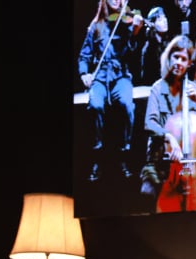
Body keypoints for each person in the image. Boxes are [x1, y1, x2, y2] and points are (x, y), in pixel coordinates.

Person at [139, 34, 196, 208]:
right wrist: (168, 137)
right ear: (169, 58)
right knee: (147, 193)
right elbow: (149, 123)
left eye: (183, 59)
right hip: (160, 162)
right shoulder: (157, 88)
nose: (178, 62)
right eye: (176, 57)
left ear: (189, 64)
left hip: (191, 163)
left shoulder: (193, 89)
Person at [77, 0, 145, 182]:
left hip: (120, 75)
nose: (118, 1)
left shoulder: (126, 24)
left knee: (127, 106)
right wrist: (84, 73)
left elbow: (131, 54)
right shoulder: (95, 26)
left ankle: (125, 155)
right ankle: (97, 158)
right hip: (99, 77)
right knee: (96, 105)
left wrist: (135, 32)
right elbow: (84, 55)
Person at [139, 7, 173, 86]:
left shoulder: (170, 43)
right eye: (160, 20)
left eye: (165, 18)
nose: (165, 21)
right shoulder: (148, 48)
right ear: (153, 24)